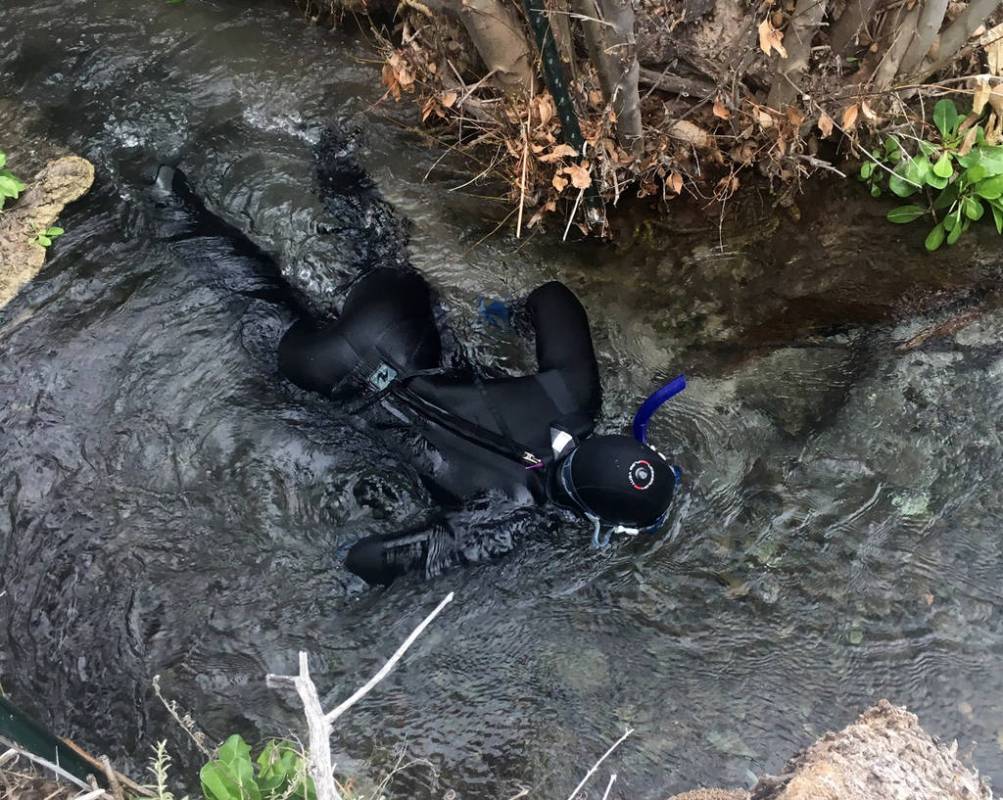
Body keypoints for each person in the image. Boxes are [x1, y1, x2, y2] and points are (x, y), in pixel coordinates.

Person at [152, 163, 679, 586]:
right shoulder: (505, 519)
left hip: (395, 320)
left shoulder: (574, 395)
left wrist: (510, 319)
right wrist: (459, 542)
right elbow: (367, 559)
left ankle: (330, 151)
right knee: (253, 290)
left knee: (372, 238)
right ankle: (169, 204)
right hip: (326, 374)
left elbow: (553, 298)